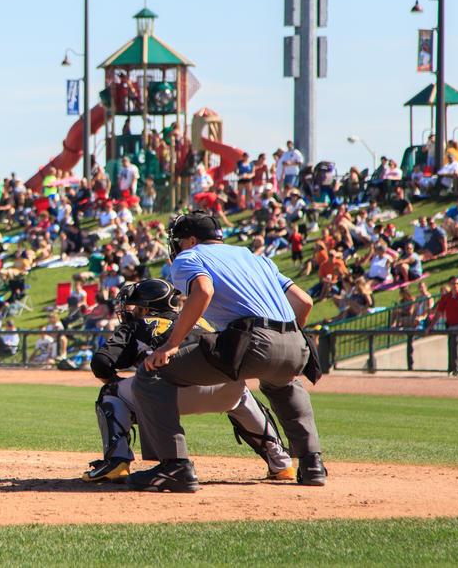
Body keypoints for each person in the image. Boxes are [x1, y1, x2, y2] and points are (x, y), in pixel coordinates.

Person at [128, 210, 325, 493]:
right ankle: (312, 463)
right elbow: (304, 301)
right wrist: (287, 338)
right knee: (284, 383)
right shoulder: (257, 258)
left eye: (178, 240)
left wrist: (170, 345)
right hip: (296, 341)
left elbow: (203, 292)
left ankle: (175, 466)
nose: (177, 246)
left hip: (250, 339)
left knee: (151, 374)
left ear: (191, 239)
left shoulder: (190, 256)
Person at [84, 280, 294, 483]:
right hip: (225, 391)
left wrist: (114, 382)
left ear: (147, 310)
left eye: (136, 307)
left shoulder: (139, 325)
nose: (132, 311)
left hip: (169, 391)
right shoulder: (201, 320)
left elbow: (101, 363)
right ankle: (281, 462)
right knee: (240, 391)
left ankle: (116, 462)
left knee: (110, 394)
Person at [426, 275, 458, 377]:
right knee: (452, 347)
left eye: (457, 283)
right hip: (451, 326)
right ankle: (454, 369)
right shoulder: (446, 297)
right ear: (450, 285)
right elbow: (438, 313)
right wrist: (431, 326)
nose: (455, 286)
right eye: (453, 284)